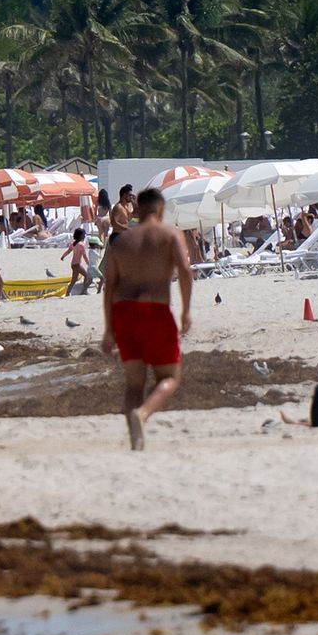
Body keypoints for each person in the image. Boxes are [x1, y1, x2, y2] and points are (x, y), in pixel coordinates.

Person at [100, 185, 192, 450]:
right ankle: (142, 414)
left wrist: (109, 329)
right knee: (168, 377)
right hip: (155, 310)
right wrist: (186, 310)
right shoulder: (170, 234)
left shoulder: (122, 241)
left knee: (133, 384)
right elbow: (185, 271)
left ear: (137, 210)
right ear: (161, 209)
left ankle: (136, 443)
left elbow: (110, 286)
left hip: (124, 313)